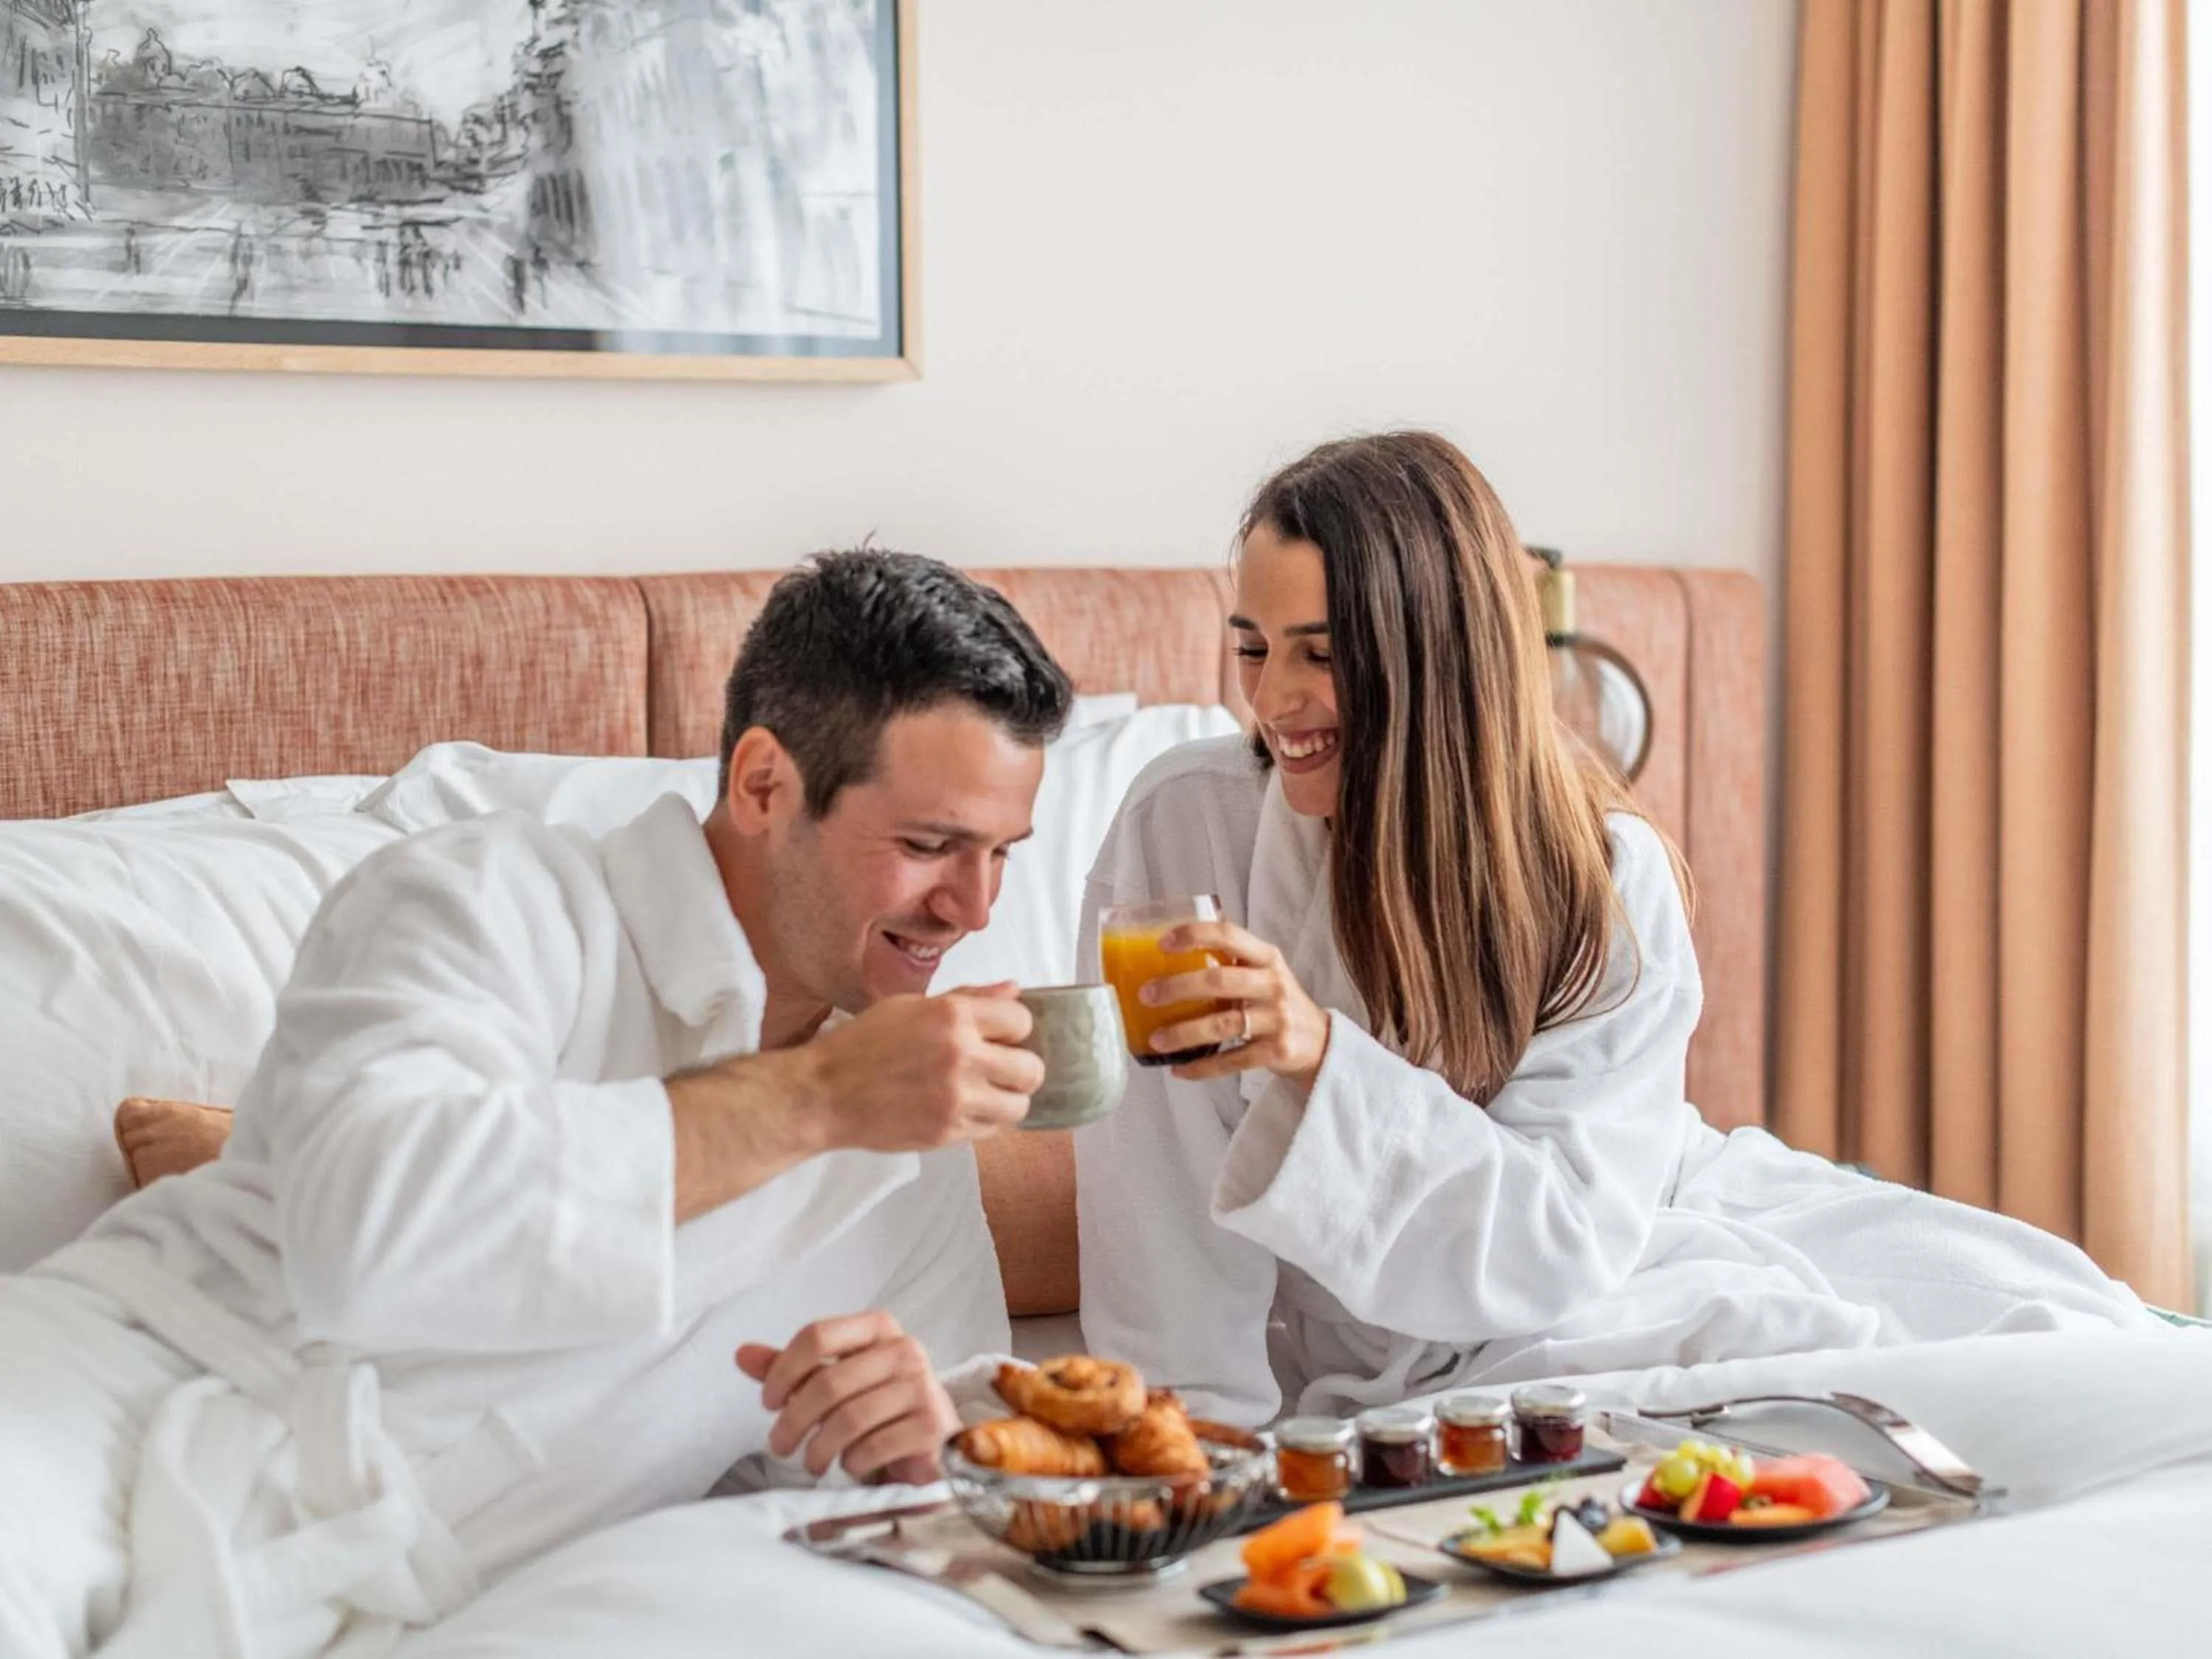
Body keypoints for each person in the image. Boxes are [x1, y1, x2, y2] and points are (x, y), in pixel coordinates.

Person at [0, 550, 1072, 1659]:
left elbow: (846, 1482)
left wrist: (896, 1435)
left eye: (1003, 855)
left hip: (459, 1592)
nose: (974, 907)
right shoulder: (484, 898)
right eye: (929, 844)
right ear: (763, 784)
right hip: (106, 1419)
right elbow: (371, 1230)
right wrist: (819, 1095)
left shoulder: (904, 1136)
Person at [1074, 432, 2155, 1427]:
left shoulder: (1599, 873)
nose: (1275, 699)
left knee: (2074, 1340)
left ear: (1440, 656)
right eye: (1254, 649)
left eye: (1321, 652)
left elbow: (1562, 1240)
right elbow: (1151, 1185)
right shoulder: (1182, 826)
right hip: (1375, 1323)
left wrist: (1318, 1059)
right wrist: (1192, 1434)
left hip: (1597, 1244)